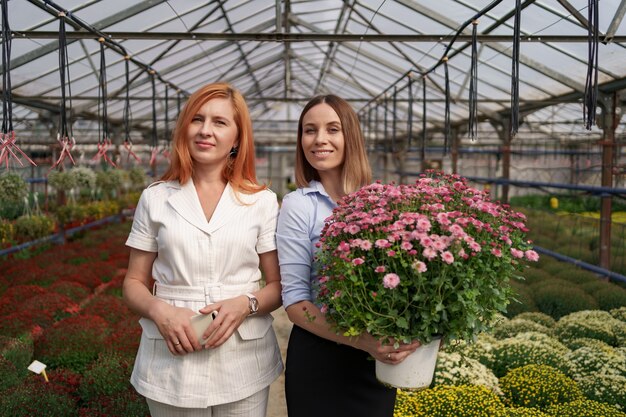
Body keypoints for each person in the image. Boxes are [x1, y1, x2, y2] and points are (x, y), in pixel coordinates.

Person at [122, 82, 283, 417]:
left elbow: (278, 286)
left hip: (242, 359)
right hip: (172, 356)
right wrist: (160, 311)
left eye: (220, 122)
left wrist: (246, 303)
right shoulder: (156, 197)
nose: (205, 131)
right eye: (197, 119)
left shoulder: (261, 201)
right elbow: (133, 283)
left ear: (238, 138)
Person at [276, 94, 420, 417]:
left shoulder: (382, 201)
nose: (319, 139)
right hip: (321, 359)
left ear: (349, 136)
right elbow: (297, 304)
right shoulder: (299, 205)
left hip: (376, 362)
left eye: (332, 129)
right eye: (310, 130)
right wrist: (363, 341)